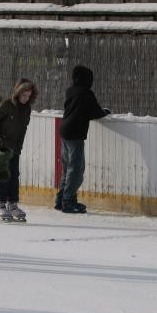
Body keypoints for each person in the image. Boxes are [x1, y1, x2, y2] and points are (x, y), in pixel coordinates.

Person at [54, 65, 110, 213]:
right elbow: (95, 112)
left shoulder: (70, 91)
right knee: (76, 170)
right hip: (75, 134)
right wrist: (105, 112)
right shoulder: (86, 93)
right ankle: (68, 201)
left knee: (67, 169)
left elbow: (81, 110)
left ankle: (60, 199)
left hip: (64, 132)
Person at [0, 78, 38, 222]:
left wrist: (19, 146)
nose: (26, 98)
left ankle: (12, 203)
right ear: (17, 93)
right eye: (23, 95)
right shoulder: (7, 105)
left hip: (15, 148)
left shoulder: (27, 109)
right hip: (2, 146)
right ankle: (0, 203)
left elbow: (23, 129)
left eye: (28, 96)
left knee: (14, 174)